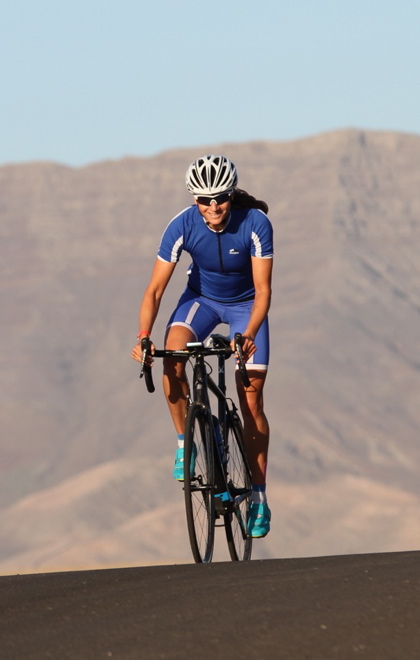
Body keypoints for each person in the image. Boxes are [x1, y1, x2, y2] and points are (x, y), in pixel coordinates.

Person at [131, 154, 274, 538]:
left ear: (230, 195)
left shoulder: (256, 224)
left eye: (220, 198)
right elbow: (156, 289)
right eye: (204, 200)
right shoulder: (182, 225)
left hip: (247, 307)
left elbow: (262, 293)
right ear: (195, 200)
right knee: (172, 357)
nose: (213, 207)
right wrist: (144, 336)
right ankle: (185, 442)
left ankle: (258, 497)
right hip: (202, 301)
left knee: (252, 400)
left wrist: (247, 335)